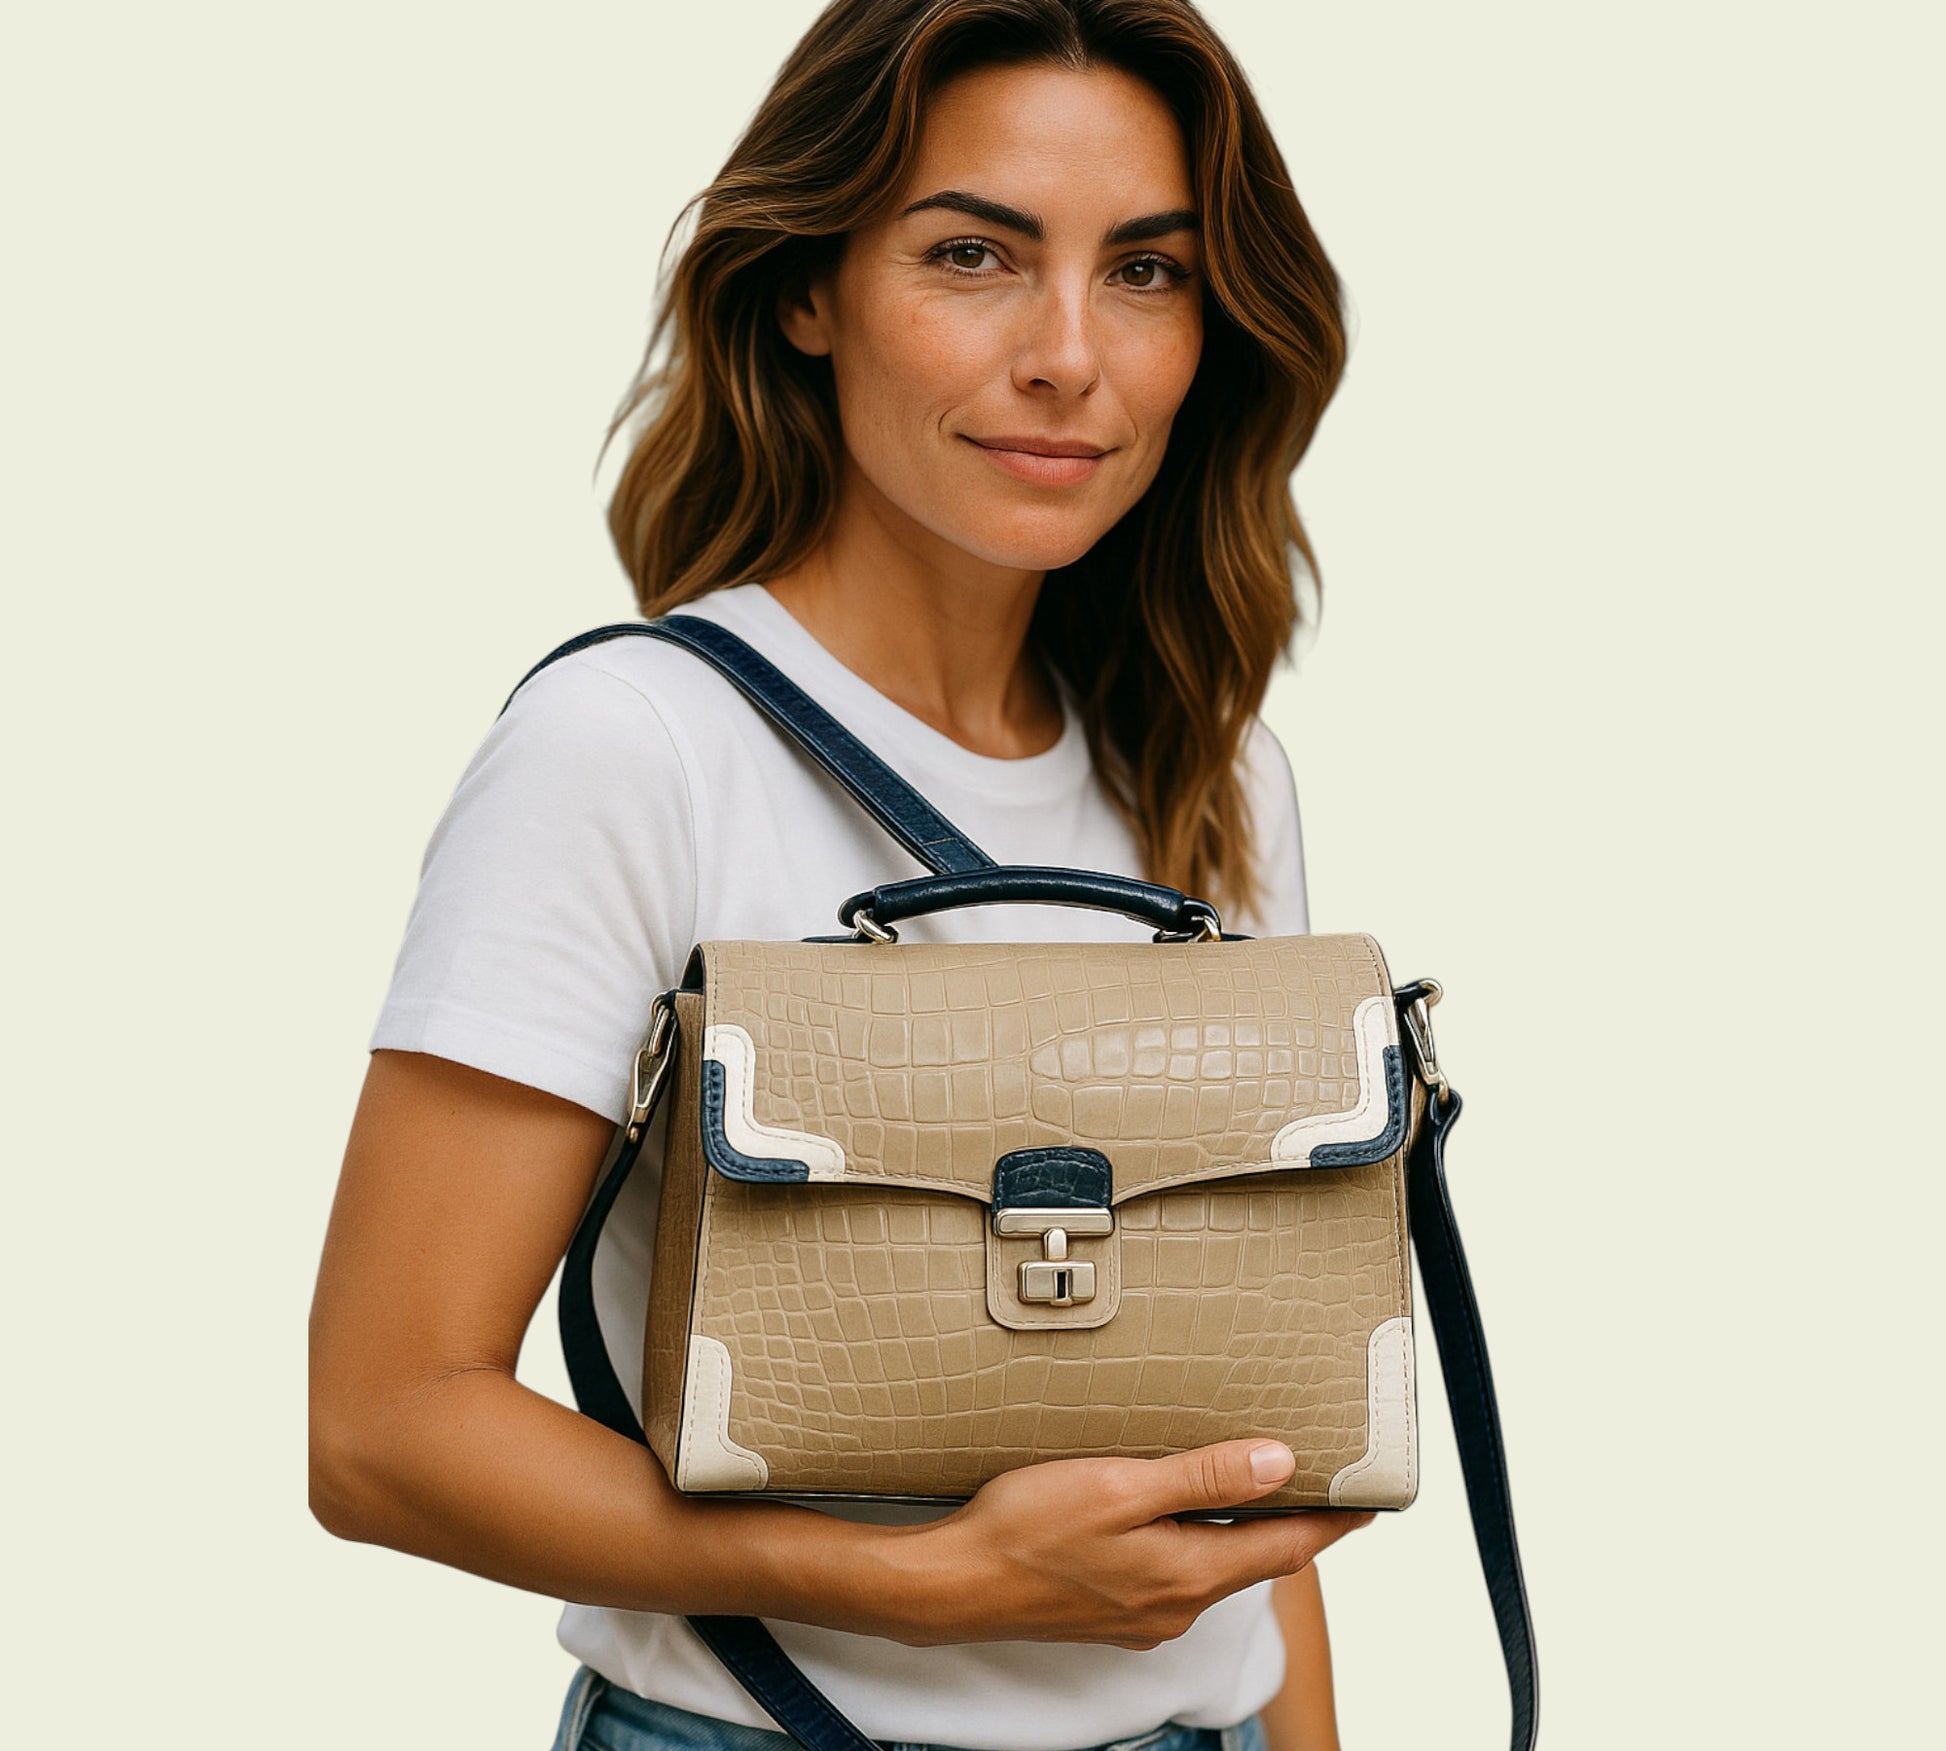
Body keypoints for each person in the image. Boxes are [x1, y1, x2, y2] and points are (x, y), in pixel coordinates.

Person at [308, 3, 1375, 1748]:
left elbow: (1243, 1434)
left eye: (1146, 272)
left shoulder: (1209, 767)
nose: (1068, 355)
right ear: (808, 288)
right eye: (973, 254)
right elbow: (383, 1426)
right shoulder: (633, 749)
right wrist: (916, 1584)